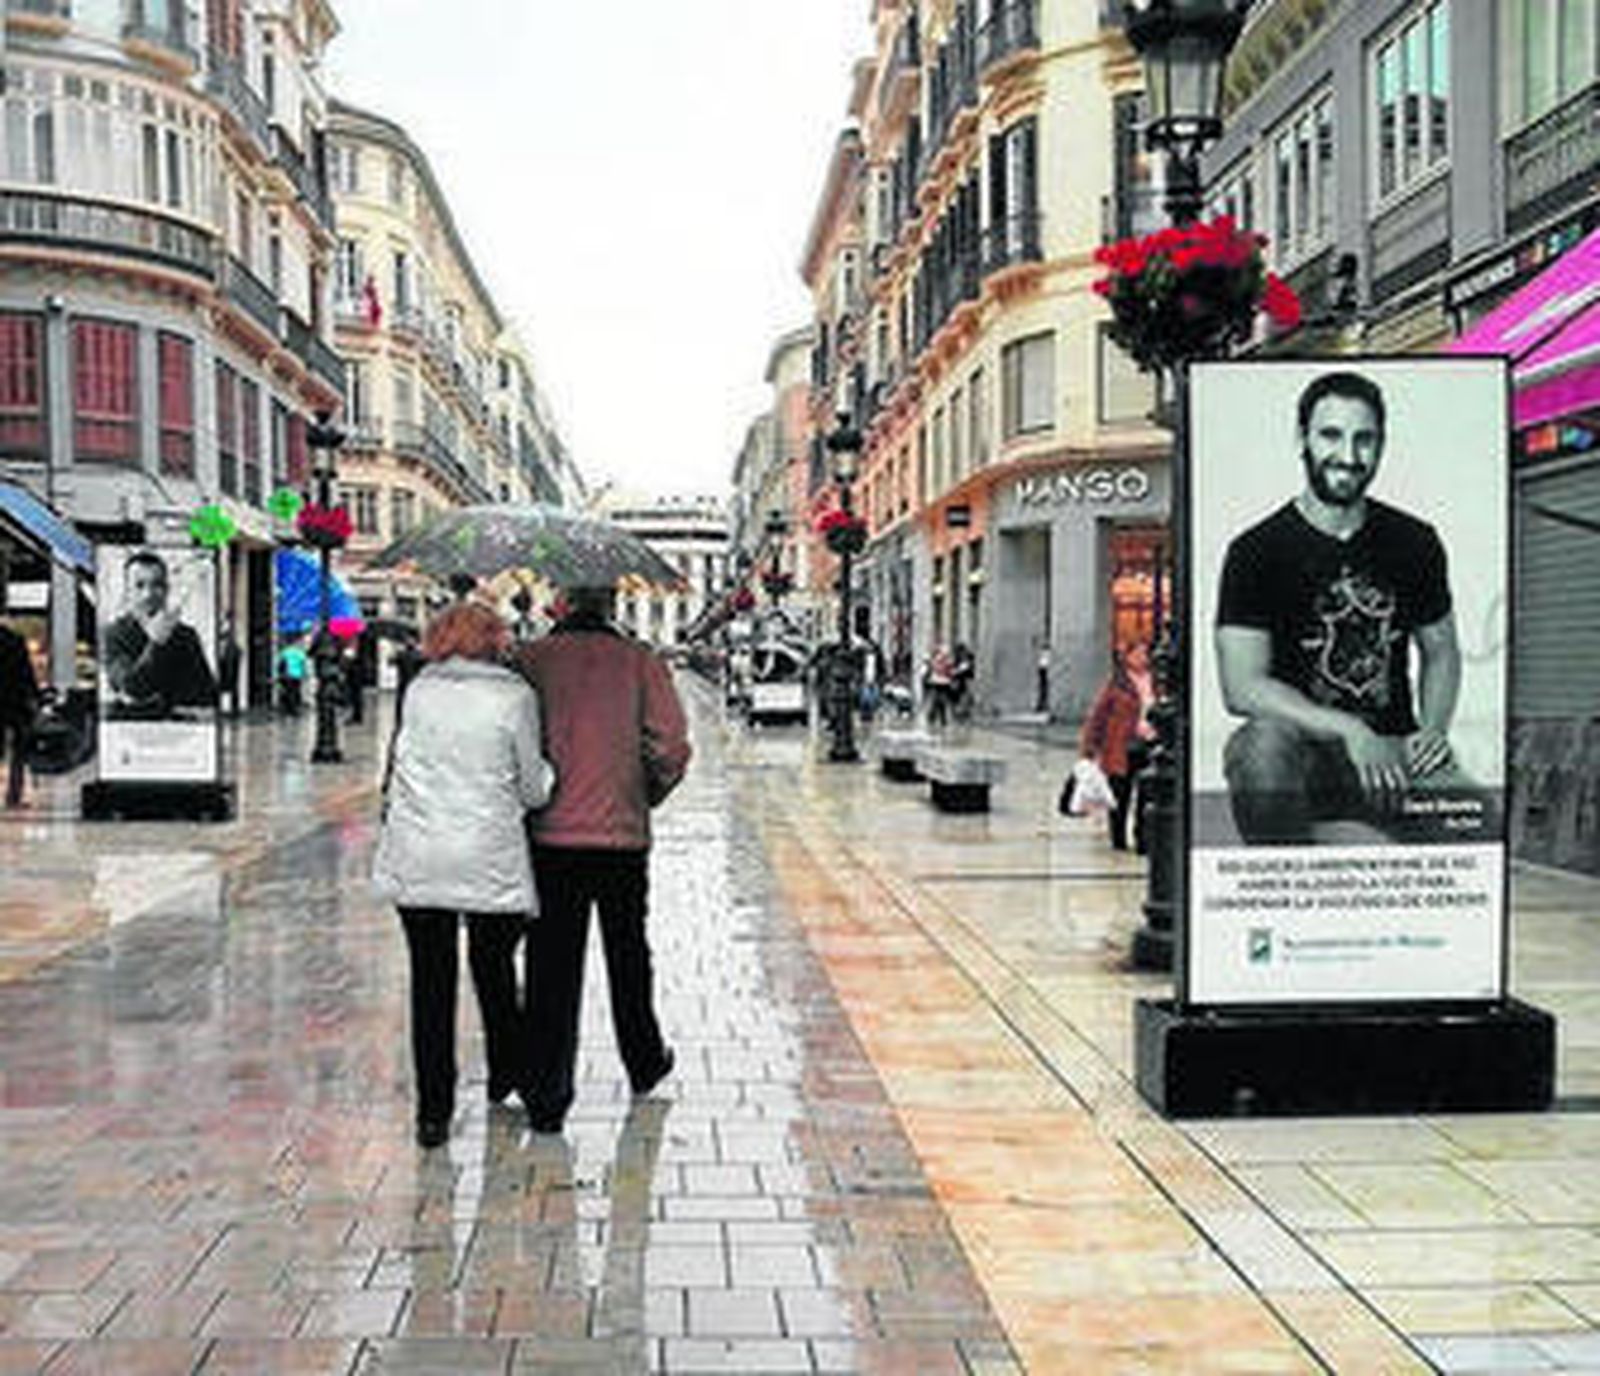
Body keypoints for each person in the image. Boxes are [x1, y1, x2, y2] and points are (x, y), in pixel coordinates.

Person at [1215, 369, 1464, 844]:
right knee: (1259, 750)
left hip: (1391, 751)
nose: (1348, 457)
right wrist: (1349, 729)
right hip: (1299, 749)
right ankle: (1290, 896)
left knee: (1474, 810)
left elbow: (1442, 650)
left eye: (1364, 439)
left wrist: (1432, 731)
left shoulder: (1414, 541)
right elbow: (1242, 687)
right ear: (1301, 438)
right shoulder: (1256, 550)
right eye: (1331, 435)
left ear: (1381, 445)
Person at [372, 602, 555, 1148]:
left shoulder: (419, 689)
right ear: (496, 639)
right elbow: (530, 789)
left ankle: (433, 1111)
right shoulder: (516, 696)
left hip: (420, 851)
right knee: (494, 966)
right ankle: (507, 1072)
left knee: (431, 982)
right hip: (486, 853)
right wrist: (548, 774)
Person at [513, 584, 690, 1135]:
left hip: (550, 837)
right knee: (628, 954)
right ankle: (643, 1060)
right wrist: (643, 793)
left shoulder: (531, 660)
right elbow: (671, 747)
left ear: (563, 605)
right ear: (611, 606)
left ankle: (547, 1092)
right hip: (621, 837)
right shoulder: (642, 661)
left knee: (550, 963)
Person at [102, 551, 218, 718]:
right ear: (127, 591)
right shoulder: (114, 634)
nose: (148, 594)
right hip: (131, 735)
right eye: (139, 585)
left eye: (157, 585)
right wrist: (156, 643)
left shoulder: (186, 635)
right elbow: (132, 687)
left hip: (181, 734)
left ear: (166, 590)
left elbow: (207, 694)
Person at [1080, 643, 1154, 851]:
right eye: (1137, 653)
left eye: (1144, 653)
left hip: (1150, 745)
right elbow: (1098, 717)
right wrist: (1089, 748)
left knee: (1147, 795)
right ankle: (1119, 838)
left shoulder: (1156, 682)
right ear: (1127, 657)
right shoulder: (1117, 685)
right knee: (1121, 795)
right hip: (1122, 747)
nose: (1142, 657)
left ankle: (1144, 840)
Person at [1, 622, 39, 808]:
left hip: (11, 700)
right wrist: (34, 696)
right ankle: (13, 795)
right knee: (19, 750)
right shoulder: (14, 639)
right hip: (13, 701)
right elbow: (25, 673)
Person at [923, 644, 956, 727]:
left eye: (945, 654)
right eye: (943, 653)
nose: (943, 656)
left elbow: (950, 673)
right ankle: (933, 719)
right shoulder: (936, 661)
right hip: (936, 683)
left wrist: (951, 675)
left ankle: (941, 720)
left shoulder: (947, 662)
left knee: (941, 702)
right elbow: (932, 669)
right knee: (936, 701)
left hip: (944, 684)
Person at [218, 614, 242, 718]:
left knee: (230, 684)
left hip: (229, 660)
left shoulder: (229, 629)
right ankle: (231, 709)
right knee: (231, 685)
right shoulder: (230, 630)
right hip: (228, 659)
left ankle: (231, 709)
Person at [278, 637, 309, 716]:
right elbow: (303, 664)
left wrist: (280, 674)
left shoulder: (285, 652)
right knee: (296, 692)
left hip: (287, 675)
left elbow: (280, 663)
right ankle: (294, 709)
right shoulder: (300, 652)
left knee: (288, 691)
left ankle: (288, 709)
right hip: (297, 675)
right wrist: (305, 674)